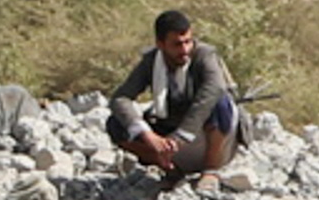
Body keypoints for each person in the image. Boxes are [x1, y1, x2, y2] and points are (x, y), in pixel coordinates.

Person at [103, 10, 245, 183]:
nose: (185, 50)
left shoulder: (205, 55)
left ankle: (211, 170)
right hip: (169, 141)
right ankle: (168, 166)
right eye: (177, 44)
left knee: (220, 103)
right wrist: (149, 136)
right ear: (161, 44)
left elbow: (214, 88)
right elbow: (120, 98)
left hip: (205, 137)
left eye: (188, 42)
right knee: (116, 124)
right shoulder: (151, 61)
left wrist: (181, 137)